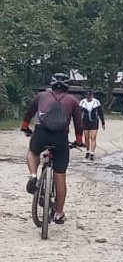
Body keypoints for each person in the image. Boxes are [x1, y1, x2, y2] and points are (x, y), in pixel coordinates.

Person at [20, 73, 83, 224]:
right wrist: (79, 141)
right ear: (68, 86)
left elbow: (28, 114)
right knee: (60, 175)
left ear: (52, 84)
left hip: (41, 133)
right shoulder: (73, 100)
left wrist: (25, 127)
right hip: (60, 138)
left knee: (33, 151)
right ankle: (59, 214)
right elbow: (79, 124)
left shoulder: (41, 96)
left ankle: (34, 175)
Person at [79, 90, 105, 161]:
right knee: (86, 137)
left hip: (94, 121)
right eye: (87, 96)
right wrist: (79, 122)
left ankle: (92, 153)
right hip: (85, 121)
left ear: (92, 95)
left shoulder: (96, 102)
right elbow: (79, 113)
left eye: (90, 96)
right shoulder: (82, 102)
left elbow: (100, 112)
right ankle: (87, 151)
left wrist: (103, 122)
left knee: (93, 137)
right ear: (86, 96)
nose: (88, 97)